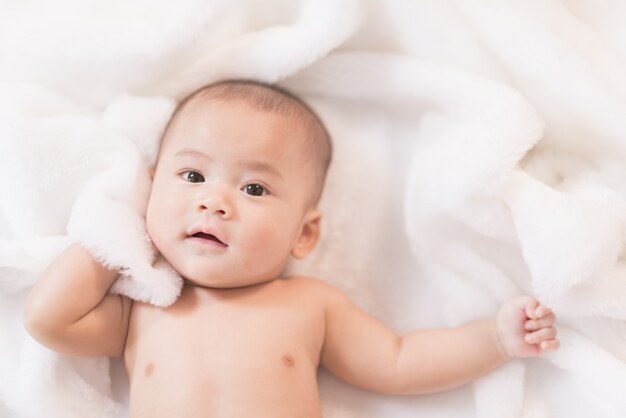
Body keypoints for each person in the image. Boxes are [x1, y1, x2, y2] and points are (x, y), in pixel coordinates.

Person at [23, 79, 559, 418]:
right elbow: (49, 320)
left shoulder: (308, 305)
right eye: (191, 175)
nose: (214, 202)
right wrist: (116, 227)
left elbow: (399, 363)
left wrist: (495, 337)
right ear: (150, 189)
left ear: (304, 233)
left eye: (254, 188)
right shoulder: (145, 309)